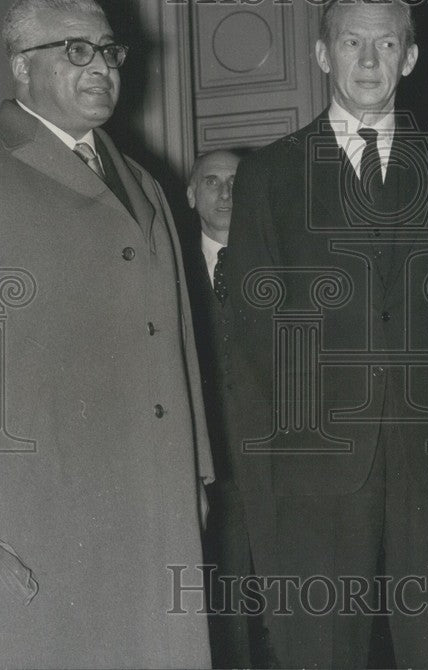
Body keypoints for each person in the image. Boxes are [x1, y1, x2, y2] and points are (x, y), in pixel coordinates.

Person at [0, 0, 213, 669]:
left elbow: (174, 338)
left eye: (109, 51)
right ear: (20, 66)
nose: (102, 66)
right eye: (76, 50)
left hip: (149, 487)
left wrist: (196, 474)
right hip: (31, 493)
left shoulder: (145, 184)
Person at [225, 0, 428, 668]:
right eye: (351, 42)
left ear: (410, 59)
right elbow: (254, 336)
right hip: (317, 462)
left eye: (387, 43)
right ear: (321, 53)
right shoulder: (269, 176)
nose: (369, 60)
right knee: (323, 650)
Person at [183, 149, 261, 668]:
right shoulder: (171, 269)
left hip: (281, 468)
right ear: (191, 196)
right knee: (228, 614)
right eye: (212, 181)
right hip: (213, 473)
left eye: (236, 181)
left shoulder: (289, 264)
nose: (226, 192)